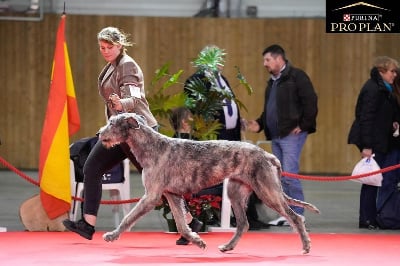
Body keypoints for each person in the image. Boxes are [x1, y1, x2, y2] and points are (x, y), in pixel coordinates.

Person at [63, 26, 158, 240]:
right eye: (102, 47)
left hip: (140, 134)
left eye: (109, 47)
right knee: (92, 167)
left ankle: (189, 221)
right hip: (120, 134)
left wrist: (120, 102)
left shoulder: (127, 66)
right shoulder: (111, 66)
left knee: (157, 179)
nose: (105, 51)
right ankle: (87, 224)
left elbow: (134, 99)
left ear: (120, 45)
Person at [184, 45, 269, 230]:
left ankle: (248, 218)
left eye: (221, 58)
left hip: (232, 136)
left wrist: (238, 121)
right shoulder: (196, 80)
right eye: (217, 58)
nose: (221, 62)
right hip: (213, 137)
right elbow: (196, 110)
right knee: (215, 179)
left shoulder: (222, 79)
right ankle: (212, 216)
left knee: (243, 176)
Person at [244, 44, 318, 226]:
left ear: (279, 59)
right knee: (280, 176)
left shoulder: (297, 77)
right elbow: (270, 110)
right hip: (275, 135)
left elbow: (311, 101)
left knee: (290, 174)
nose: (264, 64)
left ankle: (298, 213)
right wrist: (259, 124)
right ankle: (287, 213)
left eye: (267, 60)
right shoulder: (273, 82)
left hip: (291, 134)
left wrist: (304, 125)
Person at [348, 56, 399, 229]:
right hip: (374, 142)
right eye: (392, 71)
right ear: (381, 71)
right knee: (371, 181)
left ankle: (370, 217)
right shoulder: (373, 89)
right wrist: (367, 146)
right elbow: (366, 118)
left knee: (375, 180)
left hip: (381, 140)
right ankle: (367, 218)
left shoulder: (384, 88)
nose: (394, 75)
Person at [169, 107, 203, 245]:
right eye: (190, 117)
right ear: (184, 122)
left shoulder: (171, 141)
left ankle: (189, 225)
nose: (193, 119)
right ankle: (190, 224)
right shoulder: (191, 140)